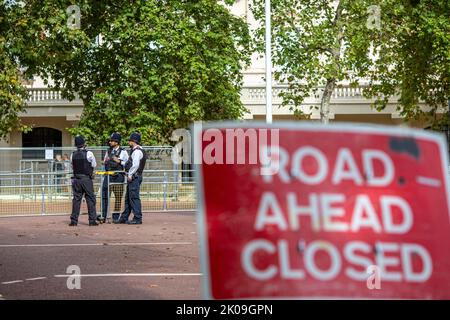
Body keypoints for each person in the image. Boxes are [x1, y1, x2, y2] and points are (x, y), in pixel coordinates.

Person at [114, 132, 147, 225]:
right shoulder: (138, 150)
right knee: (128, 198)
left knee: (134, 198)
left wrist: (130, 174)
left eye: (130, 140)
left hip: (134, 177)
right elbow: (130, 163)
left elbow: (135, 165)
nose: (128, 142)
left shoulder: (137, 151)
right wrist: (121, 163)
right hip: (135, 176)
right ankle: (124, 217)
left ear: (134, 141)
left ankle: (137, 218)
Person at [98, 132, 129, 223]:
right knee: (104, 195)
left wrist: (119, 161)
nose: (110, 142)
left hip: (118, 176)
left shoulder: (123, 152)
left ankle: (115, 217)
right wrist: (104, 162)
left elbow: (127, 164)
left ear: (117, 142)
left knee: (118, 197)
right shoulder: (108, 151)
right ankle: (103, 215)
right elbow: (105, 161)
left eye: (112, 141)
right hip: (108, 176)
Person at [69, 136, 98, 226]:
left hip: (76, 179)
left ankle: (74, 221)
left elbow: (72, 166)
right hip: (86, 179)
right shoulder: (89, 153)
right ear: (84, 144)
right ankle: (92, 220)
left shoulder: (72, 154)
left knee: (76, 200)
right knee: (90, 199)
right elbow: (94, 164)